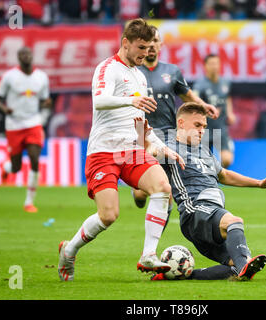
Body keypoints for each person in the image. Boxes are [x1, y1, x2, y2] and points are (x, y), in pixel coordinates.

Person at [57, 18, 185, 282]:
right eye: (141, 47)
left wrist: (161, 148)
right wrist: (133, 99)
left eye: (150, 47)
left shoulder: (139, 75)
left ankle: (149, 254)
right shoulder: (108, 68)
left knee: (163, 188)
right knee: (108, 215)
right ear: (125, 43)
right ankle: (69, 250)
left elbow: (142, 124)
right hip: (103, 151)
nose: (146, 53)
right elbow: (100, 101)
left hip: (131, 149)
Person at [141, 103, 266, 281]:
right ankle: (243, 267)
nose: (202, 130)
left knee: (235, 265)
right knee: (235, 222)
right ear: (181, 123)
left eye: (204, 126)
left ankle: (182, 276)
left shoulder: (203, 150)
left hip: (211, 217)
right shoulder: (169, 148)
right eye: (197, 125)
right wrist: (144, 139)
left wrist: (259, 184)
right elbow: (150, 153)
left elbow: (224, 175)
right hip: (195, 212)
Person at [131, 25, 219, 213]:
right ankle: (138, 194)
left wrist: (204, 106)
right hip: (141, 135)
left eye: (156, 41)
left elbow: (187, 96)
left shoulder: (172, 71)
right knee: (140, 194)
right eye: (149, 42)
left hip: (167, 136)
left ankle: (152, 242)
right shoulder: (133, 72)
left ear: (161, 44)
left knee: (166, 193)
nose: (152, 45)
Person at [0, 46, 52, 213]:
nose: (25, 56)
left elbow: (45, 100)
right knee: (16, 167)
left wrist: (46, 103)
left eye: (27, 54)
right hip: (14, 125)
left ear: (32, 56)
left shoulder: (41, 77)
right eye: (22, 55)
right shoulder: (10, 77)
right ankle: (6, 168)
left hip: (33, 123)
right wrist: (4, 110)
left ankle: (29, 202)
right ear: (19, 58)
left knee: (34, 159)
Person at [193, 54, 236, 168]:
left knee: (227, 160)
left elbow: (227, 98)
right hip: (205, 129)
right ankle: (210, 178)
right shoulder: (200, 85)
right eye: (211, 64)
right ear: (205, 66)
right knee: (203, 163)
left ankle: (216, 174)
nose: (214, 66)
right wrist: (206, 110)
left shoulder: (225, 83)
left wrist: (230, 113)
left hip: (221, 128)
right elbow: (193, 102)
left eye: (216, 63)